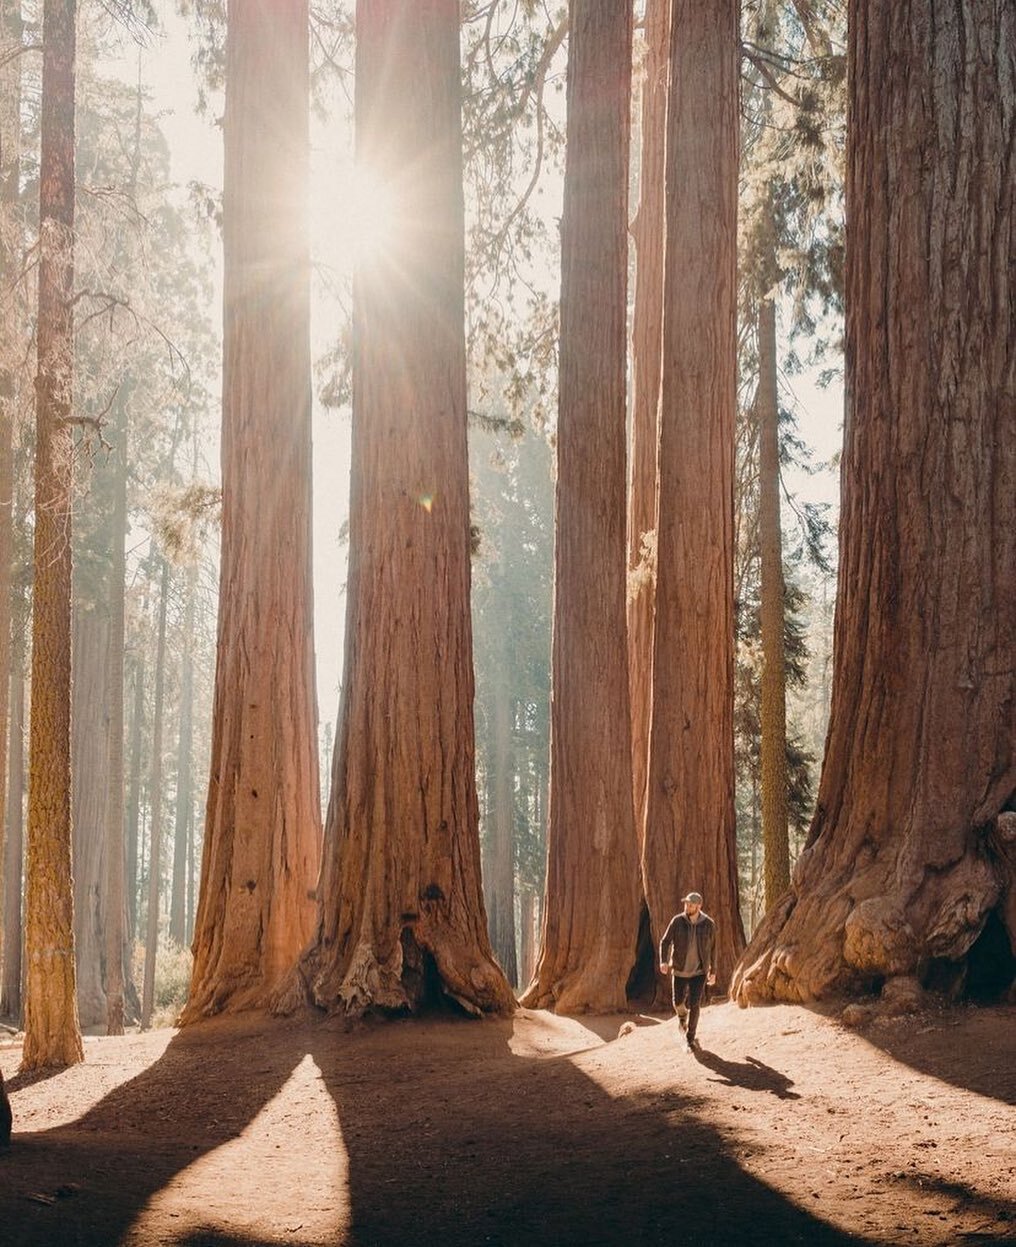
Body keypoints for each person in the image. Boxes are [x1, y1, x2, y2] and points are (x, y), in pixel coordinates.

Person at [659, 891, 716, 1049]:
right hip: (679, 970)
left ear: (699, 906)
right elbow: (665, 942)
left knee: (695, 1004)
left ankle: (690, 1038)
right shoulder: (677, 921)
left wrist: (713, 971)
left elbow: (713, 949)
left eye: (691, 904)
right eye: (686, 904)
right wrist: (663, 961)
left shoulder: (709, 924)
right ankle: (682, 1016)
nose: (687, 906)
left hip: (699, 972)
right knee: (678, 1003)